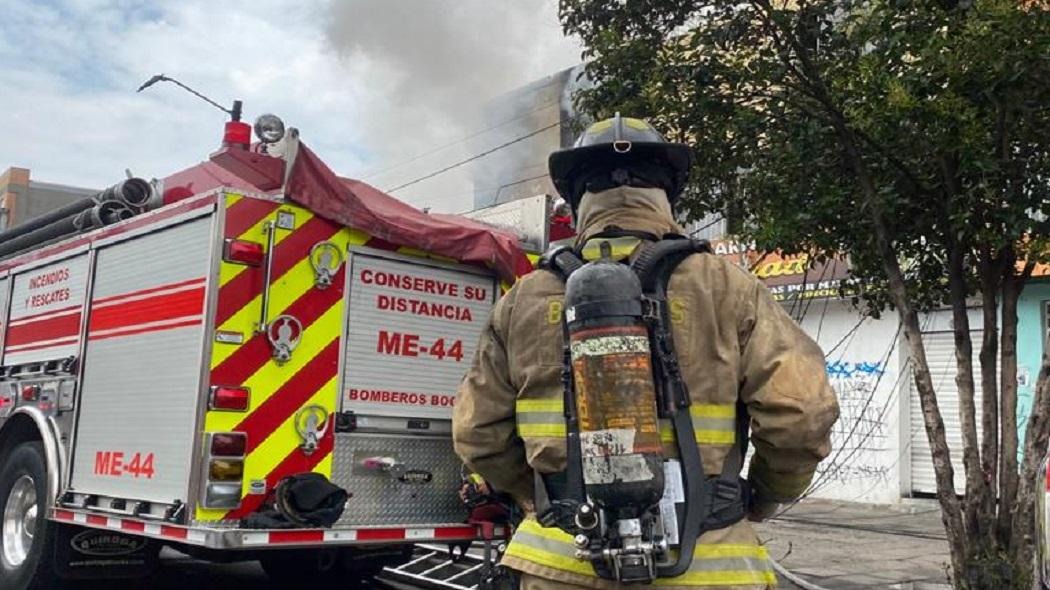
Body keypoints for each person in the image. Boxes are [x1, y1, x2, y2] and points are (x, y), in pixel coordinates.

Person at [453, 115, 839, 590]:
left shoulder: (524, 299)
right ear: (667, 193)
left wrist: (541, 500)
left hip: (560, 564)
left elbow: (477, 433)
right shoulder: (728, 287)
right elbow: (801, 414)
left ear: (577, 199)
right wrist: (760, 497)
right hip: (707, 564)